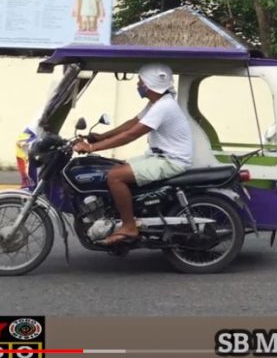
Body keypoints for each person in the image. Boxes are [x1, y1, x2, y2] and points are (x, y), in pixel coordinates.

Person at [73, 64, 193, 246]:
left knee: (115, 177)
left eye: (140, 82)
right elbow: (132, 123)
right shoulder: (157, 103)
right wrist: (101, 136)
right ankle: (121, 215)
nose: (138, 85)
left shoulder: (164, 107)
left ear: (150, 86)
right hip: (159, 156)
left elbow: (131, 134)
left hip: (171, 161)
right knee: (113, 166)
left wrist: (92, 147)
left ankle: (129, 226)